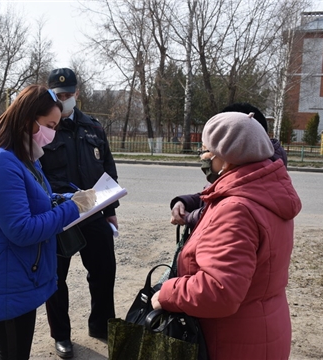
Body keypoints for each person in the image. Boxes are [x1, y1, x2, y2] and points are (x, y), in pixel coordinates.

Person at [152, 111, 302, 359]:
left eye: (206, 151)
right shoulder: (265, 190)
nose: (203, 157)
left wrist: (168, 293)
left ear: (227, 157)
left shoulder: (236, 209)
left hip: (233, 340)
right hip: (262, 327)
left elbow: (220, 290)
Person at [0, 84, 96, 360]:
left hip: (17, 271)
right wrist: (72, 209)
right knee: (13, 352)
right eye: (49, 125)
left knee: (11, 351)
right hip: (4, 276)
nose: (52, 133)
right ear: (28, 120)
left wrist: (70, 197)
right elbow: (22, 230)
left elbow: (38, 198)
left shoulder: (23, 154)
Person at [39, 68, 119, 359]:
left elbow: (108, 168)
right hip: (59, 217)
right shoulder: (45, 128)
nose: (65, 99)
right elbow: (36, 174)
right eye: (59, 95)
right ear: (50, 95)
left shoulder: (93, 127)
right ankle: (61, 336)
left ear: (77, 93)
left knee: (104, 271)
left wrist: (110, 210)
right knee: (56, 279)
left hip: (94, 212)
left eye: (69, 94)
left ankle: (100, 325)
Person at [170, 102, 287, 229]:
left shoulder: (238, 206)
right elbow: (212, 197)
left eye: (207, 150)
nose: (203, 157)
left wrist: (188, 217)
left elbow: (220, 214)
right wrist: (184, 202)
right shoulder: (253, 174)